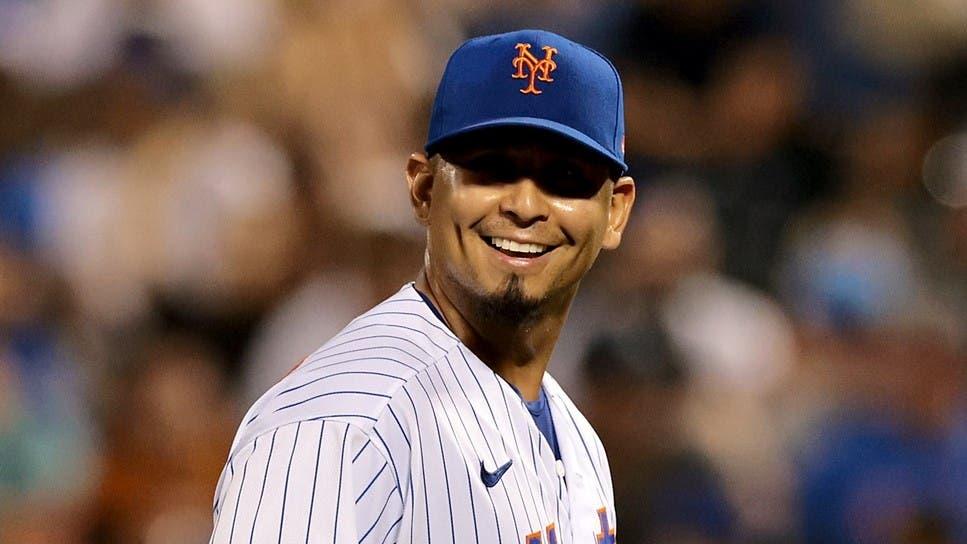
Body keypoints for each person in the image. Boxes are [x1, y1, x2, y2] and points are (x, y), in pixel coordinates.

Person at [210, 29, 635, 543]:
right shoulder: (342, 423)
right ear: (424, 189)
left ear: (615, 212)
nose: (525, 206)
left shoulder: (578, 439)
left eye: (565, 177)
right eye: (492, 170)